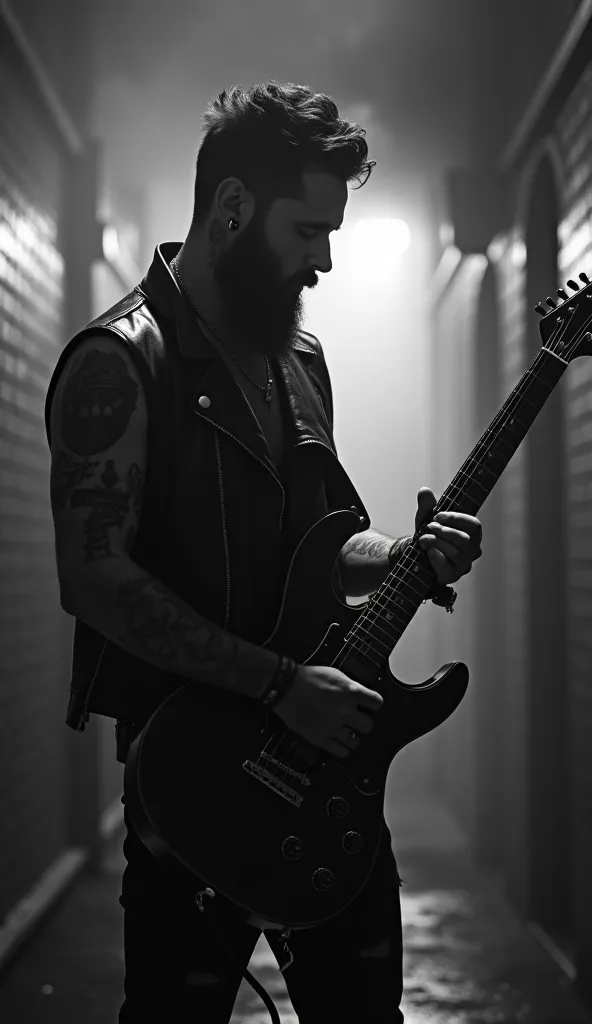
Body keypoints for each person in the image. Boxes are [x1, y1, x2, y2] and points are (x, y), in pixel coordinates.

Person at [45, 81, 482, 1024]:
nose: (323, 260)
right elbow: (95, 577)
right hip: (191, 787)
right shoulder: (119, 363)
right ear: (232, 207)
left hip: (328, 780)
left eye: (332, 233)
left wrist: (406, 554)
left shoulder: (300, 360)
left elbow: (323, 546)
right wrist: (282, 684)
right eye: (306, 231)